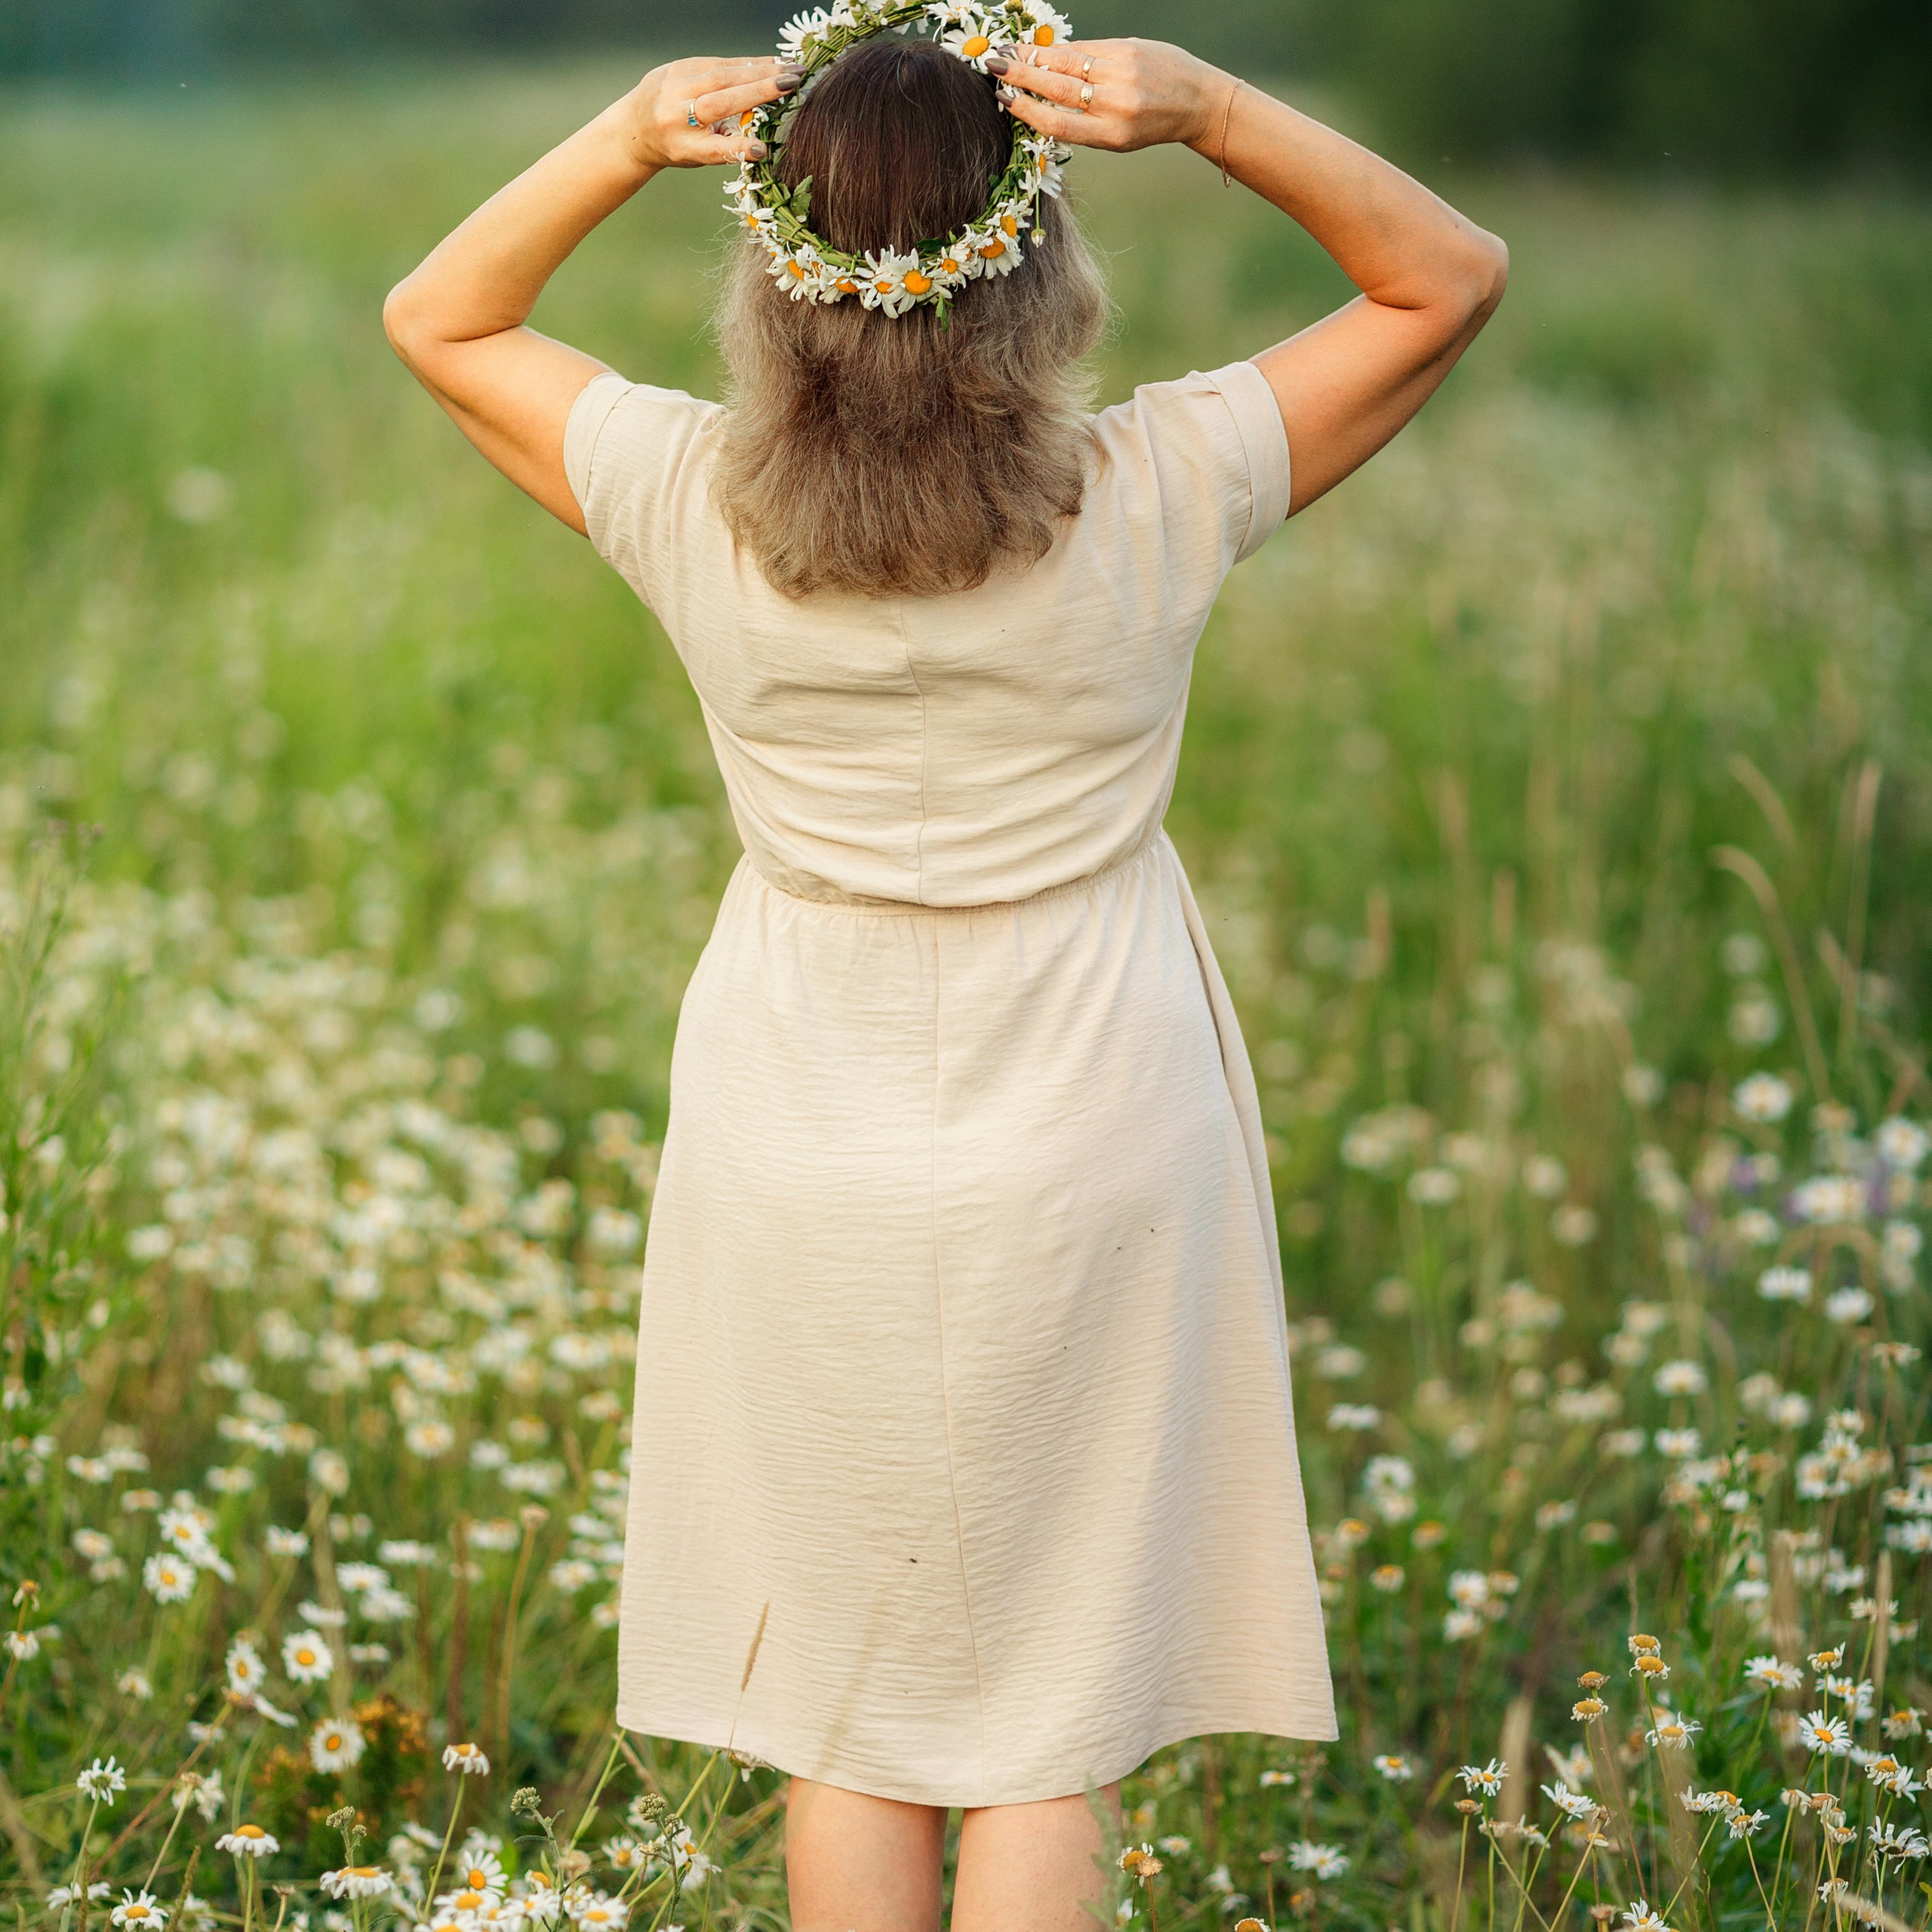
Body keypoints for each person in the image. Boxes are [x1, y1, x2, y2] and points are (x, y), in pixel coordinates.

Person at [384, 17, 1504, 1928]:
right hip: (1096, 1120)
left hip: (794, 1133)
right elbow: (1445, 277)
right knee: (1046, 1731)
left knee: (849, 1711)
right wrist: (1209, 111)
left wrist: (625, 132)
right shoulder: (1163, 485)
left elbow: (439, 317)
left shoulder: (686, 497)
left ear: (773, 269)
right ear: (1036, 264)